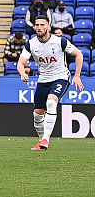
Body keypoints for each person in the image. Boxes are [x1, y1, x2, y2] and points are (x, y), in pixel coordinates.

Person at [17, 16, 84, 150]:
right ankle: (41, 140)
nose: (39, 27)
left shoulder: (60, 41)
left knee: (52, 102)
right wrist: (23, 73)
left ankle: (46, 140)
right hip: (43, 79)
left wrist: (77, 76)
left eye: (42, 25)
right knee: (37, 115)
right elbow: (20, 63)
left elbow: (79, 54)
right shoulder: (31, 44)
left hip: (61, 77)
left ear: (48, 26)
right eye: (37, 25)